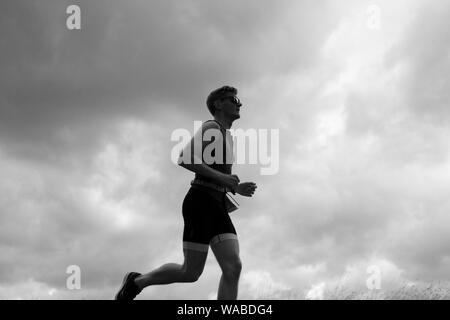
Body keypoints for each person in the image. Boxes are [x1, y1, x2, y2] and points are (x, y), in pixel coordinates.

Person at [115, 85, 257, 300]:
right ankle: (137, 281)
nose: (239, 104)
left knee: (233, 267)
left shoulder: (228, 137)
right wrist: (224, 180)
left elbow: (217, 173)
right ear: (218, 104)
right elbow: (185, 158)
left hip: (217, 204)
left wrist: (235, 187)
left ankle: (137, 281)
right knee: (190, 273)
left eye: (238, 100)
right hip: (200, 202)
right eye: (233, 99)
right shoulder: (212, 127)